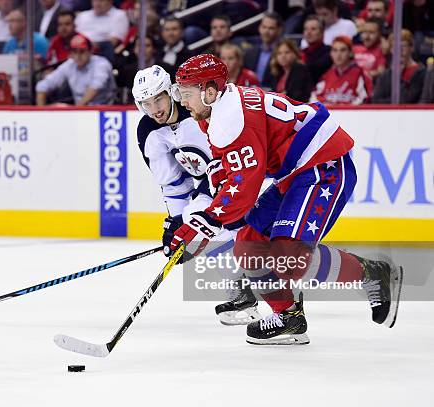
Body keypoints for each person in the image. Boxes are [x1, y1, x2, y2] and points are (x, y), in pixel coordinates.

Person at [171, 53, 402, 344]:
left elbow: (244, 188)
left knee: (288, 257)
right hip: (294, 174)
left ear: (209, 90)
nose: (182, 100)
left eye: (186, 93)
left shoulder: (231, 118)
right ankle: (288, 316)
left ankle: (374, 273)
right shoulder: (214, 109)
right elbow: (225, 167)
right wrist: (207, 214)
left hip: (323, 164)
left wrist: (205, 223)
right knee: (247, 246)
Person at [132, 64, 260, 326]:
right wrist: (176, 222)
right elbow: (173, 184)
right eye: (146, 103)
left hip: (241, 177)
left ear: (171, 92)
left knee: (242, 230)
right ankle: (242, 292)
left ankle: (278, 287)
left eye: (158, 98)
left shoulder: (199, 112)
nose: (155, 109)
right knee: (195, 221)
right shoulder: (148, 131)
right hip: (210, 185)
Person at [35, 33, 116, 105]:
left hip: (104, 111)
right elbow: (42, 86)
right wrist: (42, 112)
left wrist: (76, 109)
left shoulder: (101, 64)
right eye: (74, 52)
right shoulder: (69, 65)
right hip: (79, 112)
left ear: (90, 51)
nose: (78, 56)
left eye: (82, 51)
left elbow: (95, 87)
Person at [312, 36, 372, 105]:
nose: (338, 54)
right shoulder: (326, 75)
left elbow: (364, 98)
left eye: (343, 50)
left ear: (350, 53)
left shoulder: (360, 73)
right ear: (331, 54)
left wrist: (344, 108)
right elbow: (314, 97)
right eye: (335, 50)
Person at [372, 29, 426, 104]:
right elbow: (376, 101)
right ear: (391, 50)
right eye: (395, 47)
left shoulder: (422, 73)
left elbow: (408, 99)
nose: (399, 50)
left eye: (403, 46)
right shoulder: (386, 75)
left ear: (411, 47)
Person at [244, 11, 283, 90]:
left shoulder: (283, 53)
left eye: (271, 28)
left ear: (279, 30)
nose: (266, 31)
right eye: (264, 27)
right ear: (259, 28)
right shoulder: (249, 53)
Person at [301, 15, 332, 83]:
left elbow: (316, 69)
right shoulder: (301, 53)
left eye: (313, 29)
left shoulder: (329, 52)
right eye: (306, 29)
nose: (308, 32)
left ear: (322, 32)